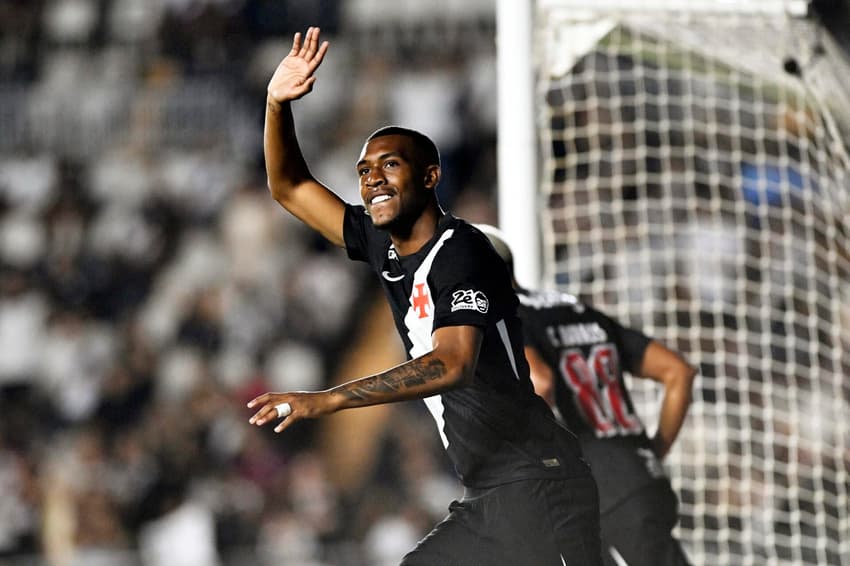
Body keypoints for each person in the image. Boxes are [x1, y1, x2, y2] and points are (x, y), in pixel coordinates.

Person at [246, 27, 603, 565]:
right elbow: (290, 187)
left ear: (431, 175)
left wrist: (331, 398)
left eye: (390, 165)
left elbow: (453, 363)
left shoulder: (462, 250)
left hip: (537, 485)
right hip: (494, 494)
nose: (372, 181)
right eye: (364, 171)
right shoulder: (380, 243)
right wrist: (276, 104)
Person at [476, 224, 697, 566]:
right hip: (633, 477)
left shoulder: (503, 318)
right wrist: (653, 450)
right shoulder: (572, 307)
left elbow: (540, 382)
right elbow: (678, 372)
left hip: (597, 489)